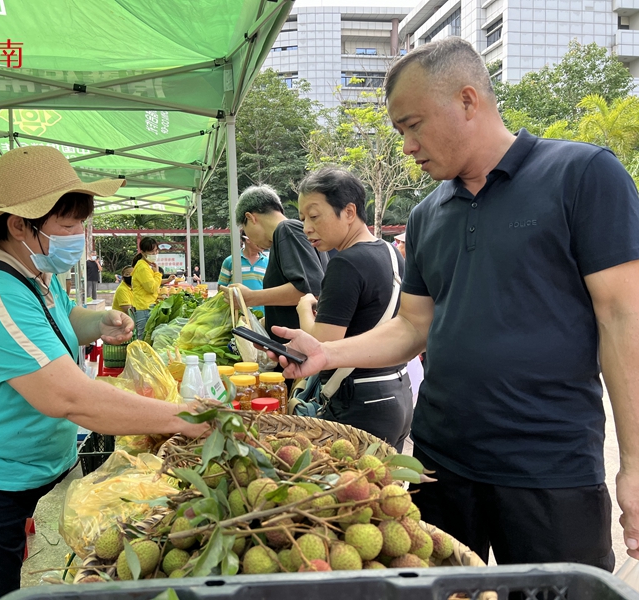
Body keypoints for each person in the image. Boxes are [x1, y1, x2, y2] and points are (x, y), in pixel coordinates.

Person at [267, 37, 639, 571]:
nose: (407, 146)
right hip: (440, 463)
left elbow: (624, 317)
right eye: (399, 132)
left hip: (547, 468)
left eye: (413, 125)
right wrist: (329, 354)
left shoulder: (581, 175)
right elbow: (413, 325)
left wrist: (634, 463)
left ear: (469, 100)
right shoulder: (426, 215)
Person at [0, 146, 208, 600]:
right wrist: (177, 417)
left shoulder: (30, 274)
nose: (79, 237)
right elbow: (70, 398)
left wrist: (99, 323)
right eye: (68, 226)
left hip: (7, 478)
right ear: (19, 226)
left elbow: (63, 319)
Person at [295, 167, 412, 451]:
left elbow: (322, 346)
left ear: (348, 212)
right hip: (397, 392)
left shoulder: (345, 264)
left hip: (359, 399)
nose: (307, 228)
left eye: (314, 216)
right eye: (302, 219)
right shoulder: (390, 252)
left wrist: (302, 309)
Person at [231, 185, 327, 344]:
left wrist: (250, 297)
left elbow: (311, 291)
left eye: (246, 232)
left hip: (301, 352)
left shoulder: (286, 229)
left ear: (251, 218)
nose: (251, 240)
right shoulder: (293, 234)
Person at [217, 229, 268, 314]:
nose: (264, 243)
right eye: (260, 239)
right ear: (247, 239)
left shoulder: (268, 262)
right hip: (237, 313)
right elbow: (221, 287)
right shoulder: (230, 261)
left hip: (262, 314)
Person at [131, 237, 163, 339]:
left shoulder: (146, 266)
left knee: (146, 338)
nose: (154, 254)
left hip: (146, 306)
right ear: (143, 252)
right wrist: (157, 273)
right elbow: (152, 288)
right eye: (151, 251)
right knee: (144, 339)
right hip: (144, 308)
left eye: (156, 251)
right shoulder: (142, 267)